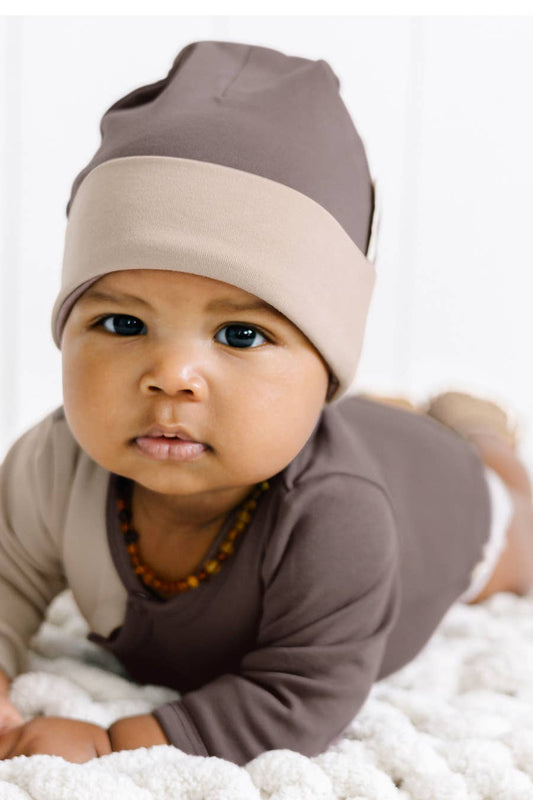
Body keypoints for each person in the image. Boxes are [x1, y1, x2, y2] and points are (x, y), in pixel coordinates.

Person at [0, 39, 532, 767]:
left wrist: (114, 741)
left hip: (440, 499)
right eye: (123, 324)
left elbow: (302, 692)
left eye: (241, 334)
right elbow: (4, 577)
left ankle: (474, 431)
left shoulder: (335, 517)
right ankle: (397, 412)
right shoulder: (52, 463)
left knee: (515, 530)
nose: (172, 375)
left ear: (325, 369)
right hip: (353, 435)